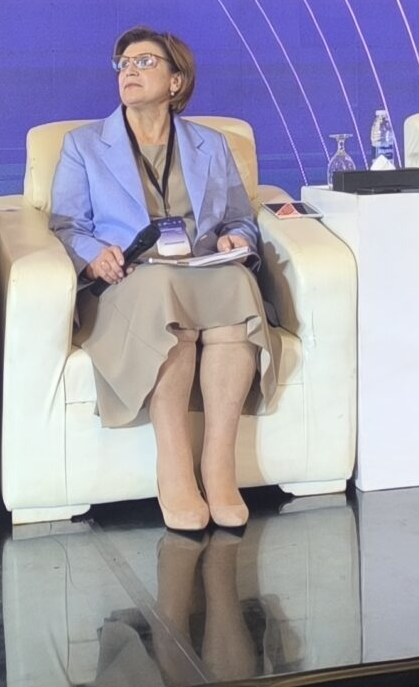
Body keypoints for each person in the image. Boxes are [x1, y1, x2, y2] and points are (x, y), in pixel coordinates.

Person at [49, 27, 279, 531]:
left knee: (239, 283)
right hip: (129, 279)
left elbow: (240, 218)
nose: (129, 70)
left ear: (176, 81)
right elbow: (65, 225)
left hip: (199, 270)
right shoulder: (83, 145)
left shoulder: (211, 145)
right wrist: (93, 256)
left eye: (144, 62)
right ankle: (173, 467)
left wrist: (233, 240)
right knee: (160, 288)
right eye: (123, 64)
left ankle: (218, 466)